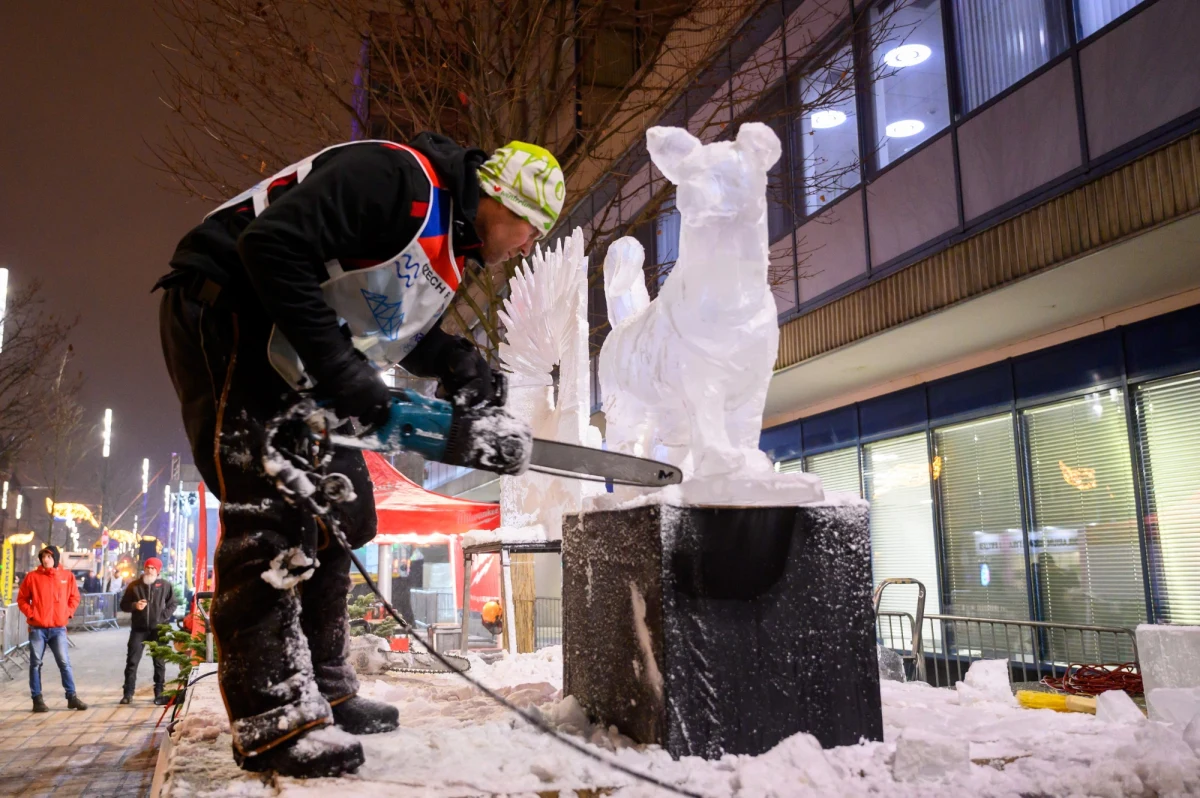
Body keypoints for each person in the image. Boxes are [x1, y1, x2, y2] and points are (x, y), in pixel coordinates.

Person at [155, 133, 564, 778]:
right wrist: (345, 371)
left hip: (291, 339)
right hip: (228, 306)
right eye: (531, 229)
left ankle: (325, 683)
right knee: (274, 510)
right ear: (501, 199)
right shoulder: (396, 179)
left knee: (347, 511)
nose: (527, 245)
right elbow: (270, 245)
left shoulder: (448, 247)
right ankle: (274, 719)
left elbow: (387, 324)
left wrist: (454, 358)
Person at [16, 546, 88, 713]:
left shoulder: (66, 576)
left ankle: (71, 697)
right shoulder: (32, 577)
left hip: (58, 628)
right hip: (37, 628)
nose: (45, 560)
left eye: (48, 556)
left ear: (55, 557)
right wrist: (32, 614)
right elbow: (22, 599)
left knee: (64, 663)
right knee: (35, 664)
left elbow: (74, 597)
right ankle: (37, 699)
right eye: (43, 557)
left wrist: (67, 613)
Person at [119, 557, 178, 705]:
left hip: (158, 629)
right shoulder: (134, 585)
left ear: (158, 571)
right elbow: (123, 605)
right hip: (138, 629)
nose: (149, 570)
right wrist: (135, 605)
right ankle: (128, 693)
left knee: (159, 662)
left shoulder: (165, 586)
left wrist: (162, 617)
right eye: (148, 567)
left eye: (153, 568)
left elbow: (173, 603)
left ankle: (159, 693)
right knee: (132, 661)